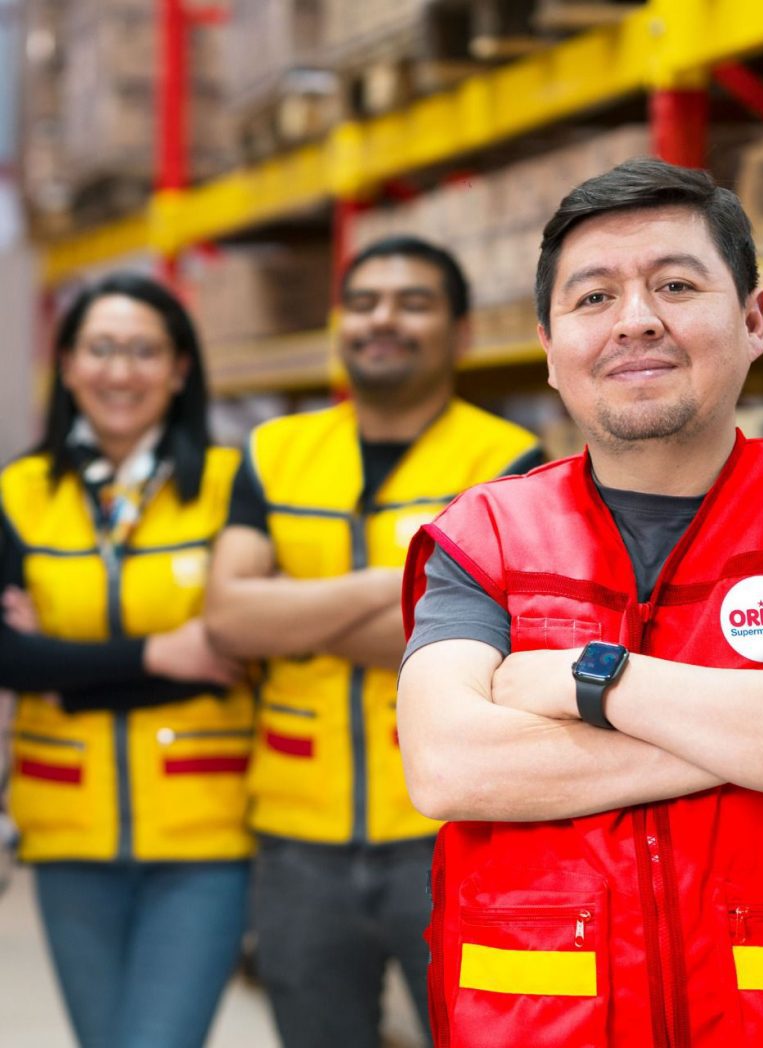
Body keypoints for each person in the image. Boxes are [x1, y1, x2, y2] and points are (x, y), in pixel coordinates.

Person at [397, 159, 763, 1048]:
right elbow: (447, 766)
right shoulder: (485, 536)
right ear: (548, 348)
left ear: (752, 320)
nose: (636, 320)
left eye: (675, 284)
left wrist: (587, 683)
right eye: (592, 299)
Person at [204, 235, 542, 1048]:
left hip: (452, 826)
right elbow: (229, 620)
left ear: (460, 333)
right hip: (295, 836)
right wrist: (413, 583)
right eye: (362, 303)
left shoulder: (509, 462)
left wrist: (289, 609)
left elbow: (497, 635)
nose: (382, 319)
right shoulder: (274, 452)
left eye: (412, 302)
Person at [0, 272, 255, 1048]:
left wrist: (67, 663)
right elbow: (10, 657)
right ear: (68, 364)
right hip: (66, 827)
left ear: (179, 368)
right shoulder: (16, 495)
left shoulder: (230, 484)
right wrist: (165, 653)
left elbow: (243, 642)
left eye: (144, 351)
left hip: (207, 829)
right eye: (100, 349)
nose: (120, 372)